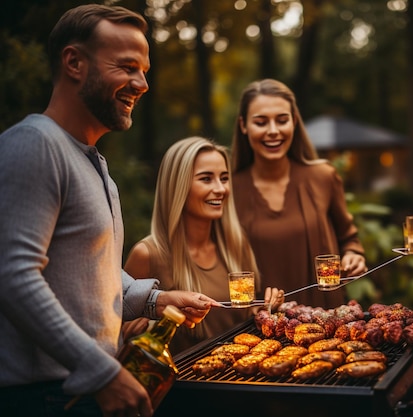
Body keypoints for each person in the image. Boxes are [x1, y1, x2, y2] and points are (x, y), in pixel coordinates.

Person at [0, 5, 220, 417]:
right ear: (74, 62)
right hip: (45, 397)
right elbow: (14, 276)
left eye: (145, 70)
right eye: (127, 67)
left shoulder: (91, 161)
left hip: (79, 390)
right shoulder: (34, 144)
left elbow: (90, 271)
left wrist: (155, 299)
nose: (143, 83)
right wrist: (101, 372)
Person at [124, 136, 285, 354]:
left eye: (224, 178)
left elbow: (244, 315)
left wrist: (266, 308)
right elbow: (115, 325)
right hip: (186, 385)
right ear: (178, 186)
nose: (220, 189)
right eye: (206, 179)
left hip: (242, 377)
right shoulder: (147, 254)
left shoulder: (236, 245)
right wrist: (132, 330)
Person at [230, 78, 367, 309]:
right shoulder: (227, 188)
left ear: (294, 121)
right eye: (261, 122)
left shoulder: (323, 176)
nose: (273, 131)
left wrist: (354, 255)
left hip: (325, 321)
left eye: (282, 120)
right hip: (259, 328)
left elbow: (349, 238)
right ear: (243, 125)